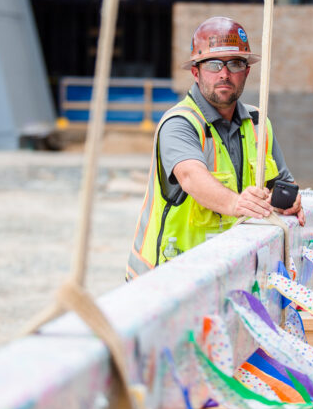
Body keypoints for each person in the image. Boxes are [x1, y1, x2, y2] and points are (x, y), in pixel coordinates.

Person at [126, 16, 303, 277]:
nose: (224, 73)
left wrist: (289, 202)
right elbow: (191, 177)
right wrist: (236, 204)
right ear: (196, 72)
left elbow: (280, 183)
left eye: (235, 63)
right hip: (166, 277)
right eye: (213, 64)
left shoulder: (257, 123)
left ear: (247, 71)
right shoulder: (179, 123)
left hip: (224, 273)